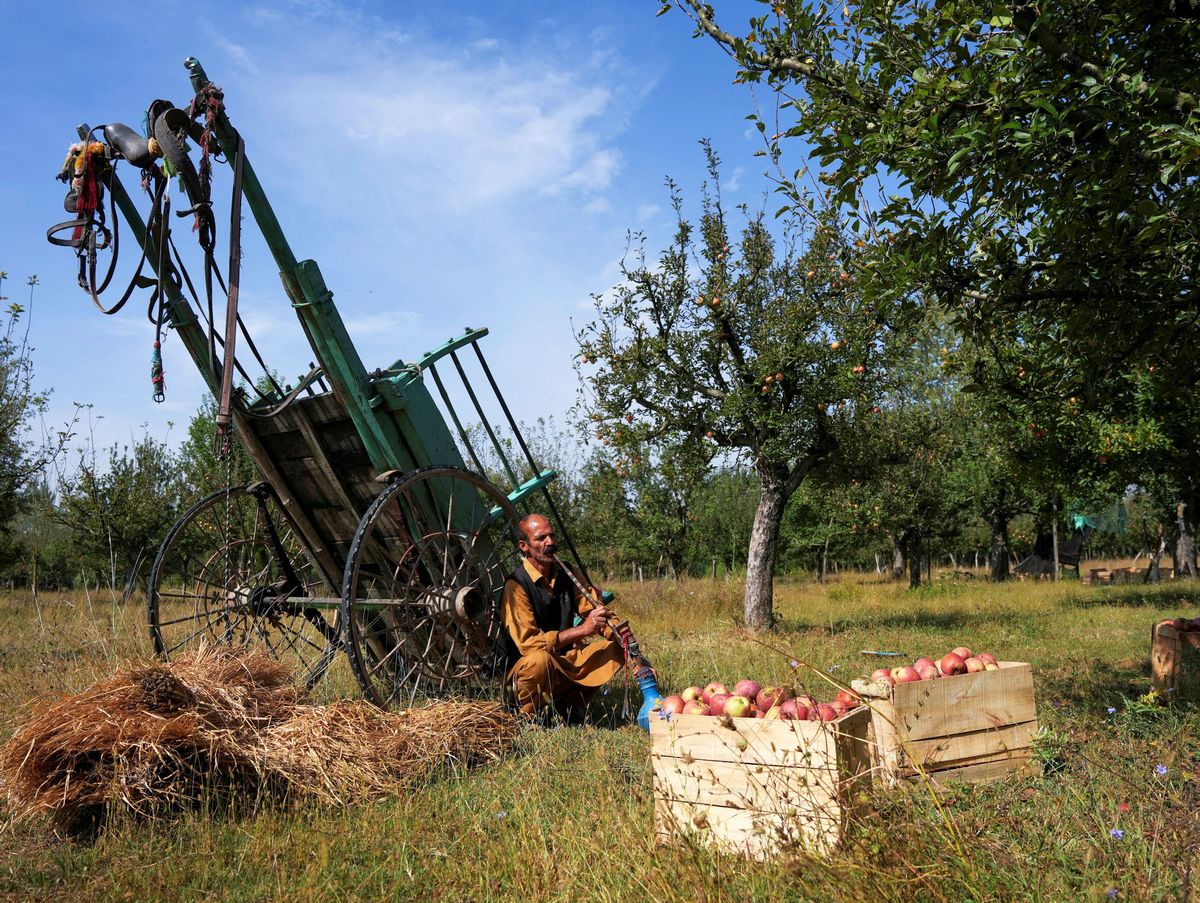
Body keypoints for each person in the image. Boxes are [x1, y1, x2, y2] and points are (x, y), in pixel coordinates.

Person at [501, 513, 624, 720]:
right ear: (524, 546)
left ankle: (570, 706)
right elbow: (529, 645)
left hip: (563, 661)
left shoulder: (566, 573)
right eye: (541, 538)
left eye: (551, 536)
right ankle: (526, 715)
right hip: (530, 669)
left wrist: (624, 639)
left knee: (618, 649)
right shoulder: (516, 586)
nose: (550, 543)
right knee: (539, 661)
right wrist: (583, 630)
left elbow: (595, 610)